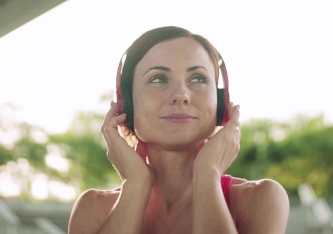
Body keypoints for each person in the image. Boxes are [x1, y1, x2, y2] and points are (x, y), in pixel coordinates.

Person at [68, 26, 289, 234]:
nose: (181, 95)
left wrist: (207, 173)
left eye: (198, 78)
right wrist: (136, 184)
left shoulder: (261, 199)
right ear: (126, 102)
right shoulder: (93, 208)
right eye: (158, 78)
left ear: (221, 102)